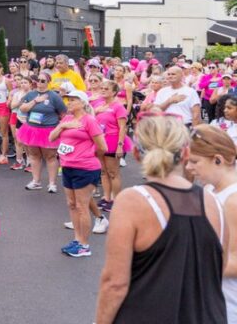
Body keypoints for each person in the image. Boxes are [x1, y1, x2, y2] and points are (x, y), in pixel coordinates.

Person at [95, 117, 226, 323]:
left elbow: (114, 283)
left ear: (137, 153)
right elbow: (217, 269)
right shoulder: (212, 201)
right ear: (185, 153)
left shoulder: (132, 201)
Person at [49, 89, 109, 257]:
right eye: (68, 100)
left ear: (83, 103)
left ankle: (84, 245)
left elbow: (102, 147)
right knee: (72, 204)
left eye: (73, 100)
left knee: (82, 207)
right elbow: (52, 138)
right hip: (67, 166)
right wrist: (62, 125)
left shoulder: (89, 120)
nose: (69, 103)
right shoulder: (67, 119)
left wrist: (86, 155)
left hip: (85, 168)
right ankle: (77, 239)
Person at [187, 124, 237, 322]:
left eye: (195, 161)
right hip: (207, 298)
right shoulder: (209, 189)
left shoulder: (233, 200)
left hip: (226, 305)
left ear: (218, 159)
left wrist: (186, 266)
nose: (189, 167)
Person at [18, 73, 68, 193]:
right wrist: (35, 101)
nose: (39, 83)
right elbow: (22, 108)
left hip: (48, 130)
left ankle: (52, 184)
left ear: (48, 82)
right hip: (32, 129)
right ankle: (36, 181)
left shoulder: (54, 96)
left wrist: (60, 127)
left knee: (50, 156)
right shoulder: (31, 94)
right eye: (38, 80)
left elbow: (63, 113)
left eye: (43, 81)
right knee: (34, 156)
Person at [94, 80, 130, 212]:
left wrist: (120, 146)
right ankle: (106, 197)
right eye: (102, 88)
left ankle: (116, 199)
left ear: (114, 92)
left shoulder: (118, 106)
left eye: (106, 89)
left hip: (112, 141)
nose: (102, 90)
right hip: (100, 141)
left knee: (113, 172)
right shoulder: (99, 105)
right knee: (103, 172)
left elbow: (122, 128)